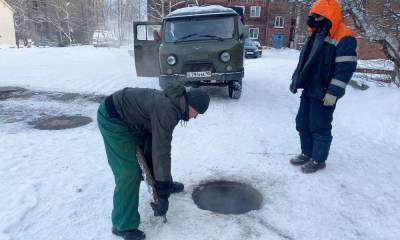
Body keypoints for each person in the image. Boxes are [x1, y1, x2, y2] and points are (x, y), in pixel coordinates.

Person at [97, 85, 210, 240]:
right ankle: (122, 225)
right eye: (197, 113)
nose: (195, 117)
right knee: (129, 173)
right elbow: (161, 150)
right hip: (113, 118)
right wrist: (162, 196)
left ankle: (165, 184)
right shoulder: (168, 110)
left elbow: (158, 146)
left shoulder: (176, 104)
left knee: (151, 153)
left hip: (134, 121)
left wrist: (163, 186)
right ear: (191, 105)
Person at [289, 0, 357, 174]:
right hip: (310, 88)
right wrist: (296, 80)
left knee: (319, 126)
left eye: (318, 16)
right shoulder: (316, 33)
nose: (315, 19)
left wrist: (334, 92)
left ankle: (319, 160)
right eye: (313, 16)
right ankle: (307, 153)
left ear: (329, 15)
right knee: (302, 122)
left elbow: (345, 68)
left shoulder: (344, 36)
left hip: (325, 92)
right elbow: (305, 60)